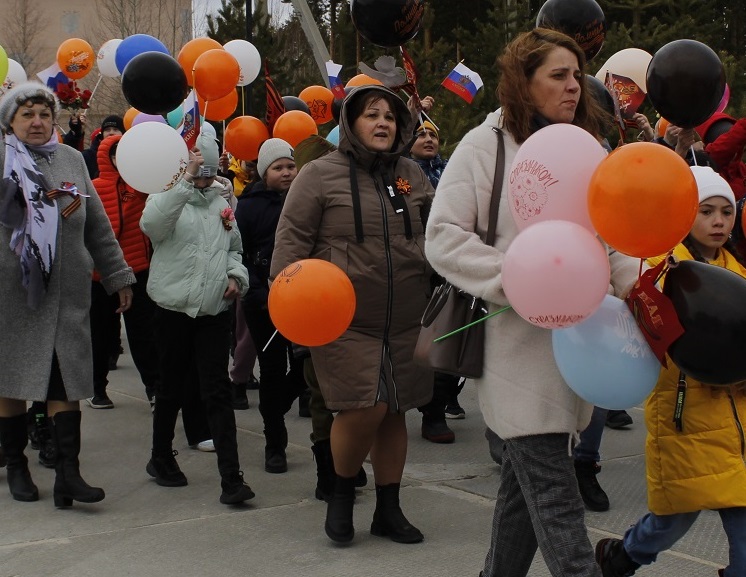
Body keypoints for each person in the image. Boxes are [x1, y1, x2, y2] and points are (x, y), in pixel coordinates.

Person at [424, 29, 640, 576]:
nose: (574, 87)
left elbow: (607, 238)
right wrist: (518, 279)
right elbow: (444, 236)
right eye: (558, 76)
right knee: (556, 500)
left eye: (576, 75)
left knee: (525, 495)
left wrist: (641, 290)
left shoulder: (588, 147)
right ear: (524, 81)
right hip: (512, 346)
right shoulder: (484, 144)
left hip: (581, 345)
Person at [271, 85, 435, 545]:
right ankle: (341, 493)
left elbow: (437, 233)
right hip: (341, 320)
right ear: (350, 123)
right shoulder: (319, 174)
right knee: (367, 404)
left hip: (406, 316)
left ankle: (389, 508)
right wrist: (291, 308)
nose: (382, 123)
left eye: (389, 116)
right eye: (371, 115)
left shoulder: (412, 175)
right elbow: (290, 245)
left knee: (396, 410)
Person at [595, 165, 746, 577]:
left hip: (738, 422)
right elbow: (657, 342)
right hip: (687, 416)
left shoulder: (739, 272)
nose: (718, 222)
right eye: (706, 211)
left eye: (726, 212)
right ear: (683, 214)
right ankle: (622, 556)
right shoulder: (662, 270)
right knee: (675, 515)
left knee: (739, 516)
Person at [0, 82, 135, 507]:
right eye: (28, 115)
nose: (38, 122)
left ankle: (68, 476)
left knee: (68, 382)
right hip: (13, 295)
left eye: (44, 114)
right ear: (10, 122)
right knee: (12, 381)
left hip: (68, 292)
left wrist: (118, 274)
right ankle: (17, 466)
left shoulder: (72, 159)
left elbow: (95, 223)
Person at [139, 131, 254, 505]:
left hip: (212, 311)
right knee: (170, 386)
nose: (204, 175)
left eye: (209, 167)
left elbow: (234, 249)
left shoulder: (223, 203)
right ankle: (160, 456)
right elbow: (152, 227)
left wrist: (236, 277)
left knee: (216, 390)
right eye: (196, 167)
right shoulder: (166, 197)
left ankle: (231, 479)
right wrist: (184, 182)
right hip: (172, 309)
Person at [234, 138, 308, 474]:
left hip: (306, 297)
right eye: (278, 168)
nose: (286, 173)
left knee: (308, 367)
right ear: (265, 172)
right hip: (263, 301)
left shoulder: (307, 198)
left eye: (290, 166)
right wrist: (257, 291)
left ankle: (283, 403)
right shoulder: (248, 206)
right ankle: (274, 443)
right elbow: (240, 252)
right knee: (273, 369)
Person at [87, 134, 161, 409]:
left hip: (138, 271)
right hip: (100, 275)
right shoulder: (93, 187)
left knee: (144, 335)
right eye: (118, 153)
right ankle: (97, 389)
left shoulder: (143, 186)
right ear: (108, 157)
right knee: (100, 335)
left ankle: (154, 389)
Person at [408, 119, 464, 444]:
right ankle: (431, 410)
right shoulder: (403, 173)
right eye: (421, 134)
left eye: (433, 133)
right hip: (418, 267)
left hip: (451, 263)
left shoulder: (451, 172)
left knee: (451, 336)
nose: (428, 138)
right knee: (424, 341)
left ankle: (438, 407)